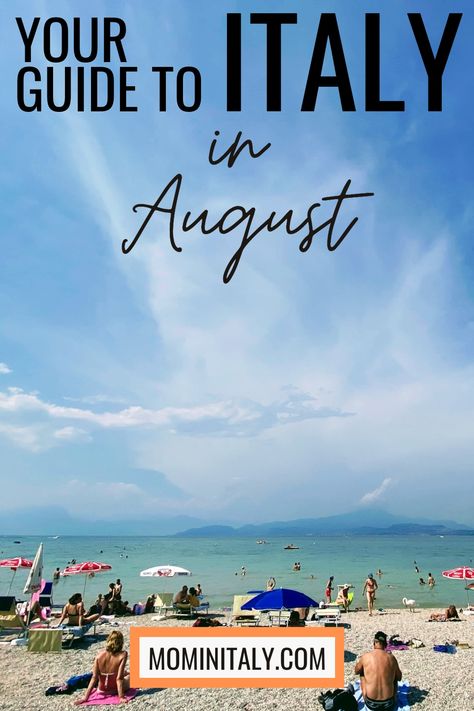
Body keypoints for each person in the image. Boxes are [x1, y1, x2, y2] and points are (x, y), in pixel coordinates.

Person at [74, 630, 130, 705]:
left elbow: (94, 678)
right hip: (114, 689)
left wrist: (85, 698)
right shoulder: (123, 654)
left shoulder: (99, 656)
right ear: (121, 642)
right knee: (130, 676)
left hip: (101, 690)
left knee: (124, 672)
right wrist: (121, 697)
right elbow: (119, 678)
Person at [354, 631, 402, 711]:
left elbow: (356, 671)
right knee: (395, 678)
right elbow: (399, 677)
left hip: (371, 704)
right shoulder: (391, 658)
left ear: (374, 642)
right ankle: (393, 697)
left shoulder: (366, 656)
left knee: (362, 673)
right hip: (389, 704)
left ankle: (365, 694)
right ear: (385, 645)